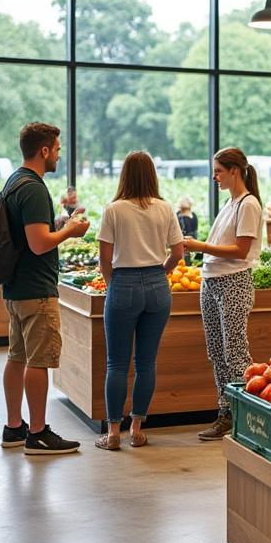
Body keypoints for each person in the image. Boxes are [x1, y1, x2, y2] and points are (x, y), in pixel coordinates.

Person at [0, 123, 89, 455]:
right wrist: (71, 232)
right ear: (45, 150)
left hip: (15, 286)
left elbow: (29, 234)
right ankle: (37, 432)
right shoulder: (35, 188)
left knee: (16, 357)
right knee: (38, 361)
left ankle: (14, 427)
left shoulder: (14, 181)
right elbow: (39, 245)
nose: (59, 154)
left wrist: (60, 225)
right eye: (58, 148)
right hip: (37, 288)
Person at [95, 151, 185, 451]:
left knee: (117, 364)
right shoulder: (165, 208)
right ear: (152, 175)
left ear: (124, 175)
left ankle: (112, 434)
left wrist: (113, 285)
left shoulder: (114, 210)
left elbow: (104, 260)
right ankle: (136, 428)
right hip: (158, 286)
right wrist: (161, 273)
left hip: (124, 283)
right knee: (146, 363)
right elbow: (178, 253)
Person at [183, 147, 263, 441]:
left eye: (218, 170)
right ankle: (226, 412)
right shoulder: (231, 203)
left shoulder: (248, 204)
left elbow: (241, 250)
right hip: (213, 280)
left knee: (235, 351)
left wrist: (200, 246)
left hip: (233, 282)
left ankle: (247, 414)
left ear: (234, 170)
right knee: (217, 352)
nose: (214, 176)